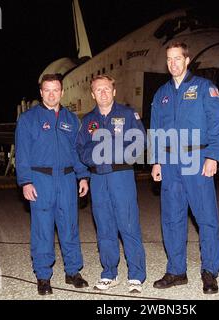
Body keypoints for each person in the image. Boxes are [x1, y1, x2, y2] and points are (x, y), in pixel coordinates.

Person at [150, 42, 219, 294]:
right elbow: (155, 130)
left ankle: (209, 272)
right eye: (169, 59)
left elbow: (218, 123)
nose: (173, 63)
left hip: (197, 158)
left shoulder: (205, 88)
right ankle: (176, 271)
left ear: (187, 60)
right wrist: (156, 160)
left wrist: (213, 156)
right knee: (172, 218)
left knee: (205, 218)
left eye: (177, 58)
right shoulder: (161, 93)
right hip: (170, 162)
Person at [15, 73, 90, 295]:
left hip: (67, 180)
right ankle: (43, 276)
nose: (51, 94)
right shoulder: (28, 119)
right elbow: (22, 154)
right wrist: (26, 181)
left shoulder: (71, 119)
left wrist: (83, 176)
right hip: (41, 180)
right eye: (47, 90)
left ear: (62, 92)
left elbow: (77, 152)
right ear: (41, 93)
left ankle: (73, 272)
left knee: (70, 227)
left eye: (55, 90)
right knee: (43, 230)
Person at [76, 75, 146, 293]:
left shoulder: (127, 114)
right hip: (98, 178)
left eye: (107, 89)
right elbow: (80, 149)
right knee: (104, 226)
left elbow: (140, 141)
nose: (103, 93)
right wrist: (95, 156)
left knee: (128, 224)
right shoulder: (88, 120)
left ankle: (136, 276)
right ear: (92, 94)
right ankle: (109, 273)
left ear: (114, 91)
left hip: (121, 176)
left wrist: (115, 153)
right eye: (98, 90)